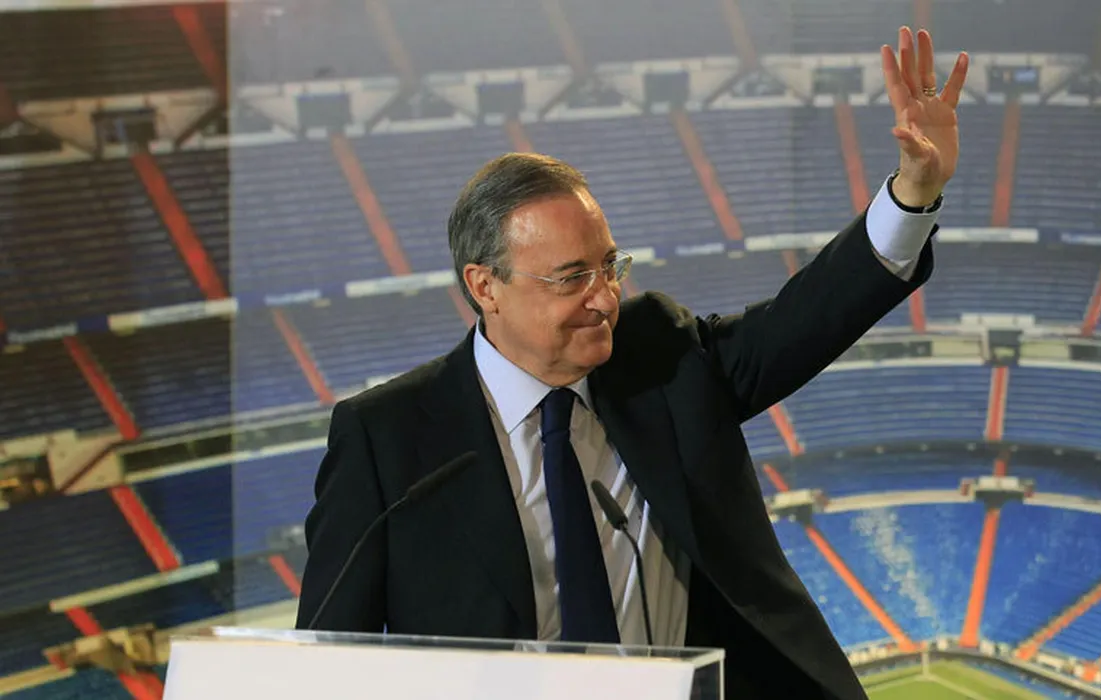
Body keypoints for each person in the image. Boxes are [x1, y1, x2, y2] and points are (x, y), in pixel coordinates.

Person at [297, 27, 968, 700]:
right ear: (485, 286)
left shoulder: (660, 356)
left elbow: (805, 319)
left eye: (609, 266)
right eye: (571, 277)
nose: (605, 297)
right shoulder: (387, 440)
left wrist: (911, 196)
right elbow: (323, 660)